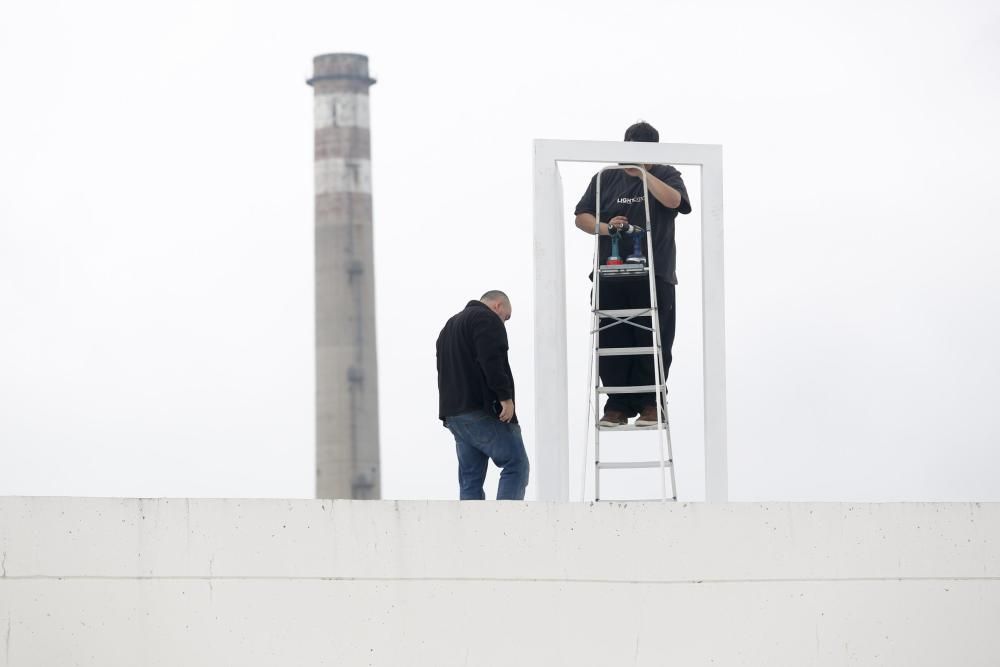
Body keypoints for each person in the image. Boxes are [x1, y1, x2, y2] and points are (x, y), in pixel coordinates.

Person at [574, 121, 692, 427]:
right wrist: (607, 227)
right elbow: (582, 217)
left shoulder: (665, 173)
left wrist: (644, 172)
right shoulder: (606, 177)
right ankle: (617, 404)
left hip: (655, 272)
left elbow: (674, 201)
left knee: (654, 338)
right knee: (612, 338)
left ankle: (651, 402)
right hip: (611, 273)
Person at [436, 290, 529, 500]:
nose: (504, 323)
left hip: (454, 415)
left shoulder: (448, 327)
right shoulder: (486, 318)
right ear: (498, 306)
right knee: (516, 464)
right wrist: (505, 397)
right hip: (481, 410)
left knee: (470, 479)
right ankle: (505, 526)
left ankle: (473, 530)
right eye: (506, 317)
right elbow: (491, 360)